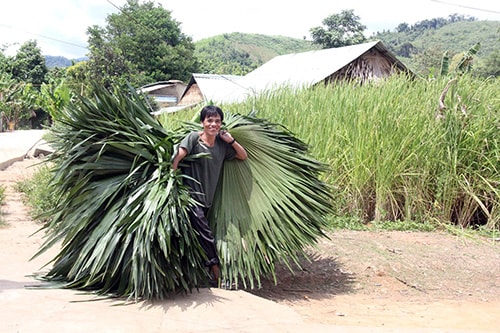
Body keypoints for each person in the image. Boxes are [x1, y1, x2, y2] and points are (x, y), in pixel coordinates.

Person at [172, 105, 248, 286]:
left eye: (217, 121)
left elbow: (243, 156)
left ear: (221, 124)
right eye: (209, 120)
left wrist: (231, 141)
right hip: (190, 198)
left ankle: (193, 274)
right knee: (206, 235)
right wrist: (171, 184)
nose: (213, 124)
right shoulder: (193, 139)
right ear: (202, 122)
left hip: (208, 201)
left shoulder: (222, 146)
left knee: (197, 237)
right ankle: (217, 274)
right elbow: (177, 157)